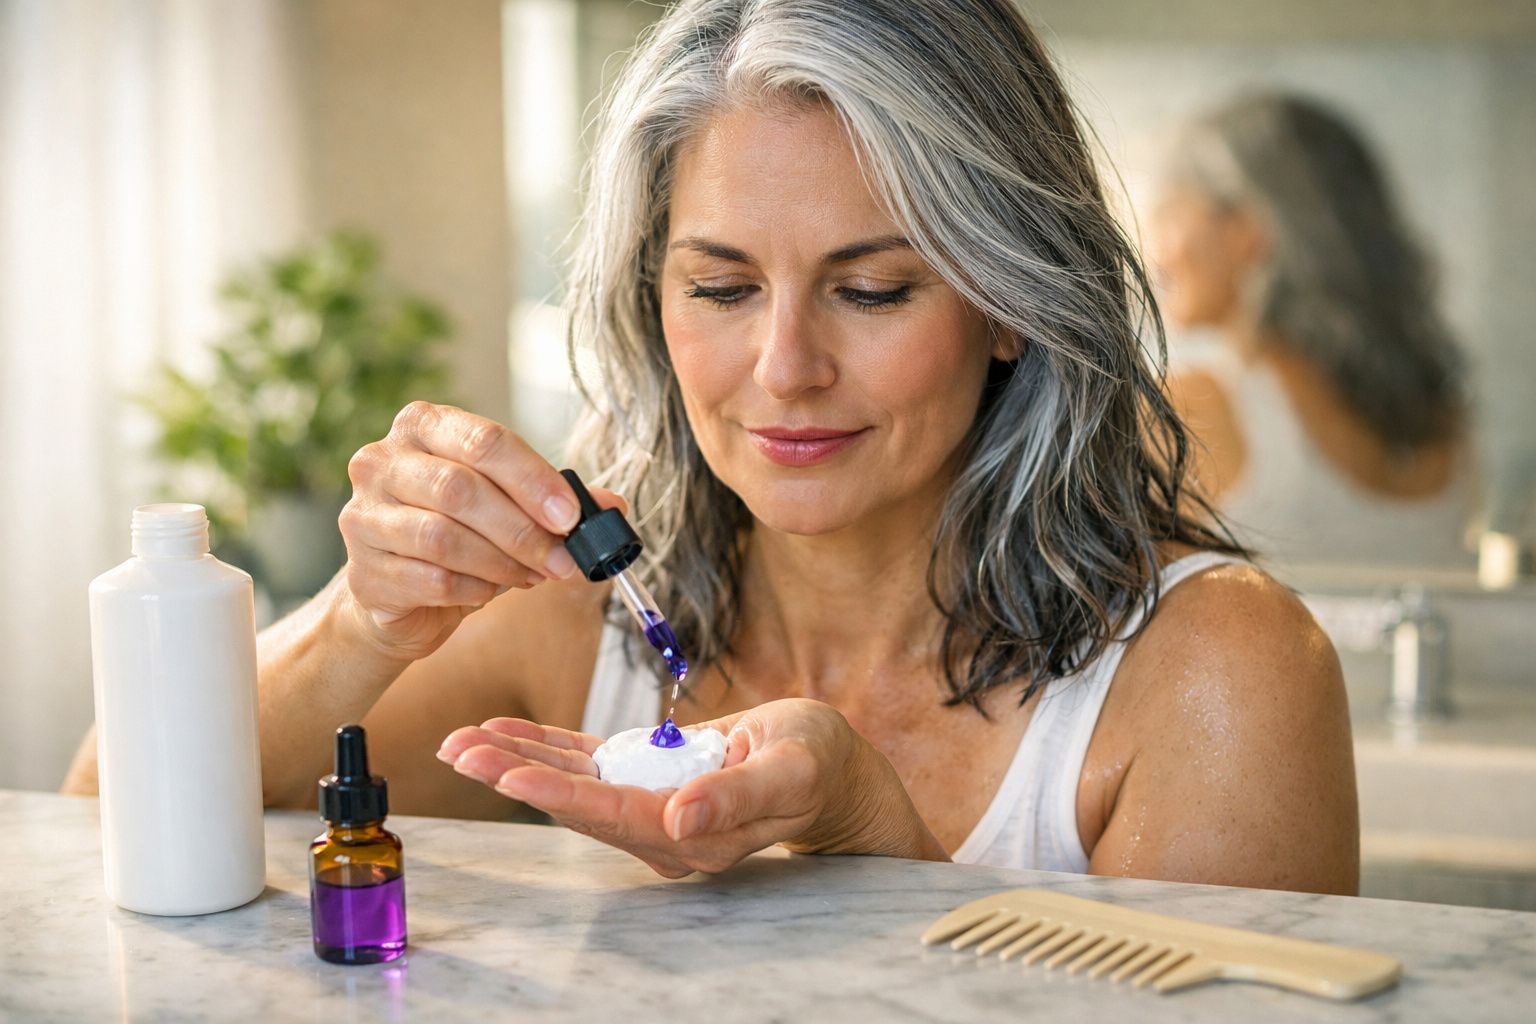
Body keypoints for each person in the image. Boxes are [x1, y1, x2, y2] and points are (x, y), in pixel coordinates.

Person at [66, 0, 1357, 893]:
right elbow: (97, 821)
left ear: (1007, 303)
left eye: (873, 289)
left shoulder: (1218, 678)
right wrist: (364, 619)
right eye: (723, 289)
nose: (783, 371)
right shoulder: (574, 621)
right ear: (652, 295)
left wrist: (866, 829)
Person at [1149, 92, 1475, 570]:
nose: (1155, 248)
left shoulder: (1187, 410)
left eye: (1171, 212)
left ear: (1246, 232)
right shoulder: (1443, 416)